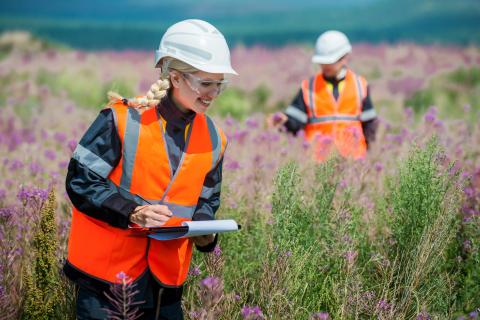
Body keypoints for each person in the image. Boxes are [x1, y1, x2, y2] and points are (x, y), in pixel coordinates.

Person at [63, 19, 237, 319]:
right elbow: (81, 182)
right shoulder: (120, 119)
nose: (212, 93)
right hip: (106, 285)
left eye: (218, 84)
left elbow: (207, 200)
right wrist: (132, 212)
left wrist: (205, 232)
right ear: (176, 78)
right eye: (205, 83)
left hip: (165, 288)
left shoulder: (214, 138)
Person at [268, 30, 378, 162]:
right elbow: (295, 122)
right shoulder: (308, 87)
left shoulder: (360, 85)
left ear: (344, 57)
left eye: (330, 62)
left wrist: (370, 158)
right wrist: (283, 121)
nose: (325, 66)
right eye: (323, 62)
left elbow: (370, 126)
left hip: (353, 161)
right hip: (318, 162)